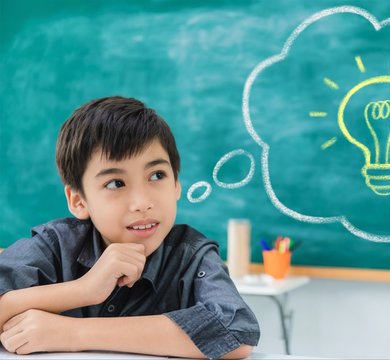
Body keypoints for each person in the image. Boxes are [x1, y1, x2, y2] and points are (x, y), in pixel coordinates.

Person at [0, 96, 260, 359]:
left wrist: (73, 333)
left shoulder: (191, 255)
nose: (142, 203)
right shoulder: (56, 245)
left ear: (176, 185)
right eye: (116, 183)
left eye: (157, 175)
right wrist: (82, 290)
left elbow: (235, 334)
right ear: (78, 201)